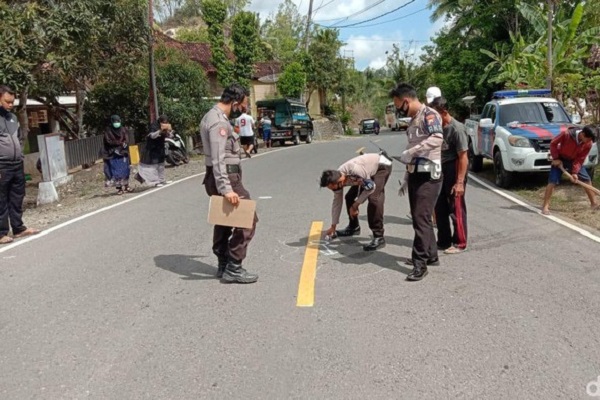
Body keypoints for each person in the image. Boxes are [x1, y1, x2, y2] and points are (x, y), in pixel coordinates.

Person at [200, 83, 258, 284]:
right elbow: (218, 158)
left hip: (221, 177)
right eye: (242, 105)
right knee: (248, 219)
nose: (243, 110)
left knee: (224, 219)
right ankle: (233, 266)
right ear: (234, 103)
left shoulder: (215, 117)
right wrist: (226, 189)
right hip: (227, 179)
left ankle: (223, 263)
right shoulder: (218, 123)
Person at [394, 82, 444, 281]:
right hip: (415, 173)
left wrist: (412, 151)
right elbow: (411, 152)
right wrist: (406, 178)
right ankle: (431, 255)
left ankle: (419, 263)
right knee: (418, 217)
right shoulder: (414, 118)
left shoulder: (429, 115)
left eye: (398, 106)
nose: (398, 110)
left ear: (406, 101)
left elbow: (437, 138)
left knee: (421, 218)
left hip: (429, 175)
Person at [320, 152, 392, 251]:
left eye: (334, 188)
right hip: (364, 175)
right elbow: (337, 203)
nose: (334, 190)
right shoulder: (336, 179)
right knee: (349, 197)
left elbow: (370, 188)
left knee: (374, 198)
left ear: (340, 181)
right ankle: (354, 227)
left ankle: (379, 237)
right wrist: (333, 226)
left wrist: (355, 206)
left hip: (382, 165)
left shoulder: (354, 170)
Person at [0, 85, 40, 244]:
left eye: (12, 102)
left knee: (17, 197)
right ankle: (1, 232)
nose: (11, 105)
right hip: (2, 165)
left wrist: (21, 158)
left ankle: (18, 228)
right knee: (1, 199)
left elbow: (16, 138)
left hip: (16, 163)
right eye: (7, 101)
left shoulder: (12, 118)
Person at [430, 96, 469, 254]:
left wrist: (459, 182)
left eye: (435, 115)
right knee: (439, 206)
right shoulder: (436, 128)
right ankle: (444, 240)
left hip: (455, 167)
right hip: (440, 168)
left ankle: (460, 242)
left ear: (444, 112)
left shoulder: (456, 129)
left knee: (455, 205)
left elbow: (463, 157)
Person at [541, 125, 598, 215]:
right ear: (582, 134)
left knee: (587, 180)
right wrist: (556, 158)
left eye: (590, 139)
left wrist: (575, 172)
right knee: (552, 182)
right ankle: (545, 206)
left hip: (574, 160)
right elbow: (553, 143)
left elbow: (580, 158)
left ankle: (594, 204)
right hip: (560, 159)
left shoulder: (588, 143)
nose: (588, 141)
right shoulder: (566, 134)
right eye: (587, 138)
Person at [135, 115, 171, 187]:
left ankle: (162, 180)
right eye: (163, 122)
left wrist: (169, 132)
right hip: (152, 148)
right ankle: (155, 182)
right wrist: (160, 131)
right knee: (154, 166)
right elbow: (152, 136)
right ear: (160, 121)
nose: (165, 123)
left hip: (160, 147)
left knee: (161, 164)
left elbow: (169, 135)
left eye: (166, 122)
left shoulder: (166, 126)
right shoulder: (154, 126)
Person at [103, 115, 132, 195]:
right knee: (116, 172)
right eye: (115, 122)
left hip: (123, 152)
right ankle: (119, 188)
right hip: (113, 153)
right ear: (112, 122)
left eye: (118, 121)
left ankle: (126, 186)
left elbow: (127, 139)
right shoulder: (108, 130)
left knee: (125, 170)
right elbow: (108, 141)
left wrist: (124, 144)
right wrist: (119, 143)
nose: (116, 123)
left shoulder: (123, 129)